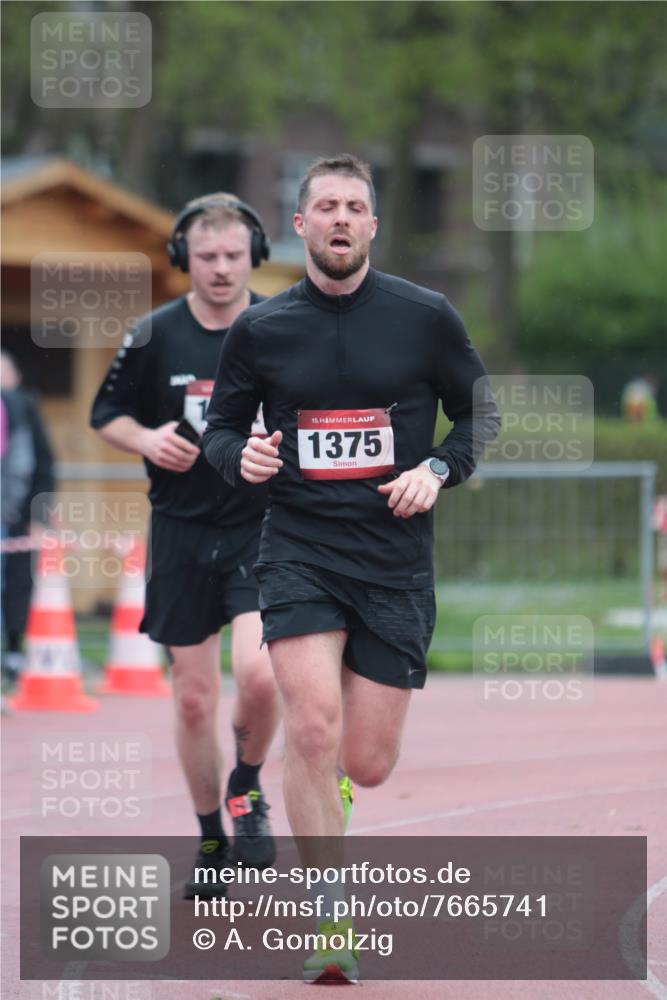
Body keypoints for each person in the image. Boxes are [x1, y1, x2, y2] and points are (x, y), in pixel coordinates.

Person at [202, 154, 500, 981]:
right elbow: (221, 431)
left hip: (392, 559)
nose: (340, 218)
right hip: (297, 547)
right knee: (310, 727)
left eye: (354, 206)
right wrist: (243, 459)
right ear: (299, 225)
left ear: (372, 225)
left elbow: (480, 410)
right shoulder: (259, 331)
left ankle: (327, 792)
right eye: (325, 205)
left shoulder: (423, 315)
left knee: (364, 761)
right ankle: (329, 919)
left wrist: (436, 470)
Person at [90, 195, 280, 896]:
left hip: (262, 527)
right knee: (194, 698)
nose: (223, 269)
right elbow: (105, 413)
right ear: (182, 261)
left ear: (253, 256)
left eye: (234, 255)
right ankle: (209, 835)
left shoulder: (278, 326)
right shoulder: (151, 334)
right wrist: (146, 439)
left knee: (261, 676)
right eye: (208, 257)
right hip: (179, 528)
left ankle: (247, 784)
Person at [1, 352, 55, 680]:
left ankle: (15, 652)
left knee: (18, 584)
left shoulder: (25, 409)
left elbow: (43, 465)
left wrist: (40, 512)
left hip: (18, 513)